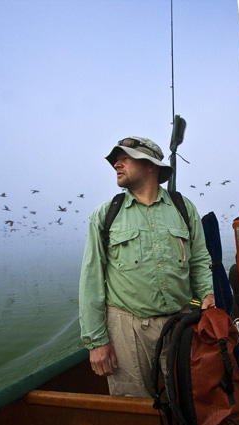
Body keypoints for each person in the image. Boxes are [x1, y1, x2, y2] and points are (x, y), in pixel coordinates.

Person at [79, 136, 215, 397]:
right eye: (116, 160)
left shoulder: (184, 208)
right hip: (125, 329)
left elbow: (199, 260)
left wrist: (207, 295)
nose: (116, 164)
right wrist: (97, 342)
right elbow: (91, 280)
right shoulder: (106, 215)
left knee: (192, 399)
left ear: (150, 165)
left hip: (181, 323)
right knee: (133, 408)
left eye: (125, 158)